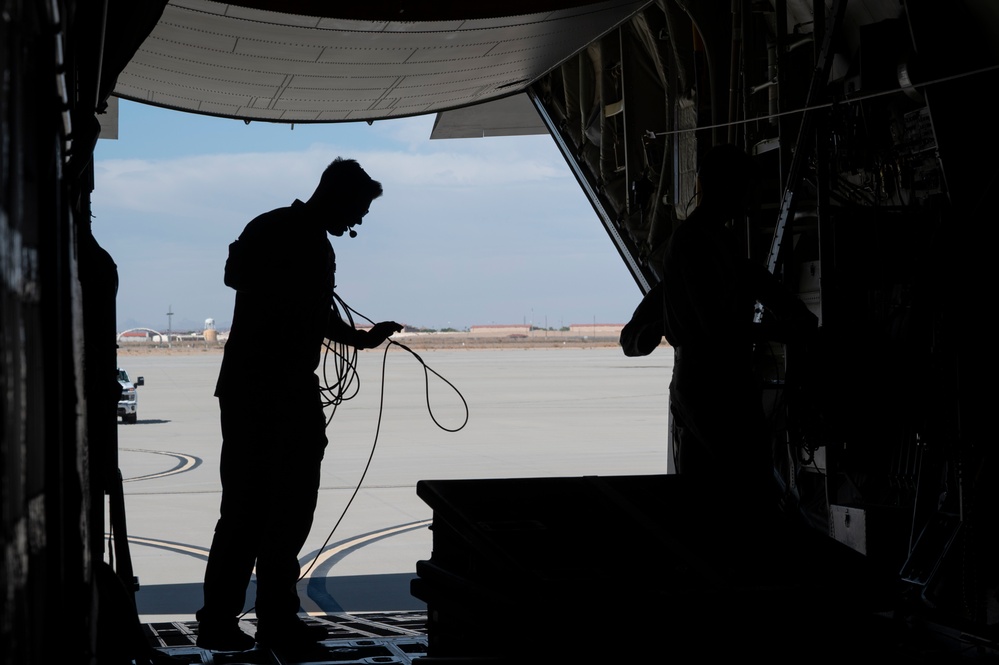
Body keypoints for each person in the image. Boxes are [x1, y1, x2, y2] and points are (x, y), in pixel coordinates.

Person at [195, 157, 402, 653]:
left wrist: (360, 340)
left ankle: (259, 618)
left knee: (267, 509)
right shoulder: (294, 237)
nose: (356, 222)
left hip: (266, 389)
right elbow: (251, 281)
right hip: (271, 390)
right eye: (357, 211)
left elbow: (289, 300)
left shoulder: (277, 230)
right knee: (264, 509)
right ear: (338, 196)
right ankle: (247, 620)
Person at [621, 143, 816, 505]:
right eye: (744, 187)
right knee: (737, 490)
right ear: (727, 188)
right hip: (709, 387)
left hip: (709, 385)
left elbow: (749, 280)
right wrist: (780, 329)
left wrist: (792, 316)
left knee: (721, 492)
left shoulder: (709, 239)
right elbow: (716, 329)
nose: (748, 197)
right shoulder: (695, 243)